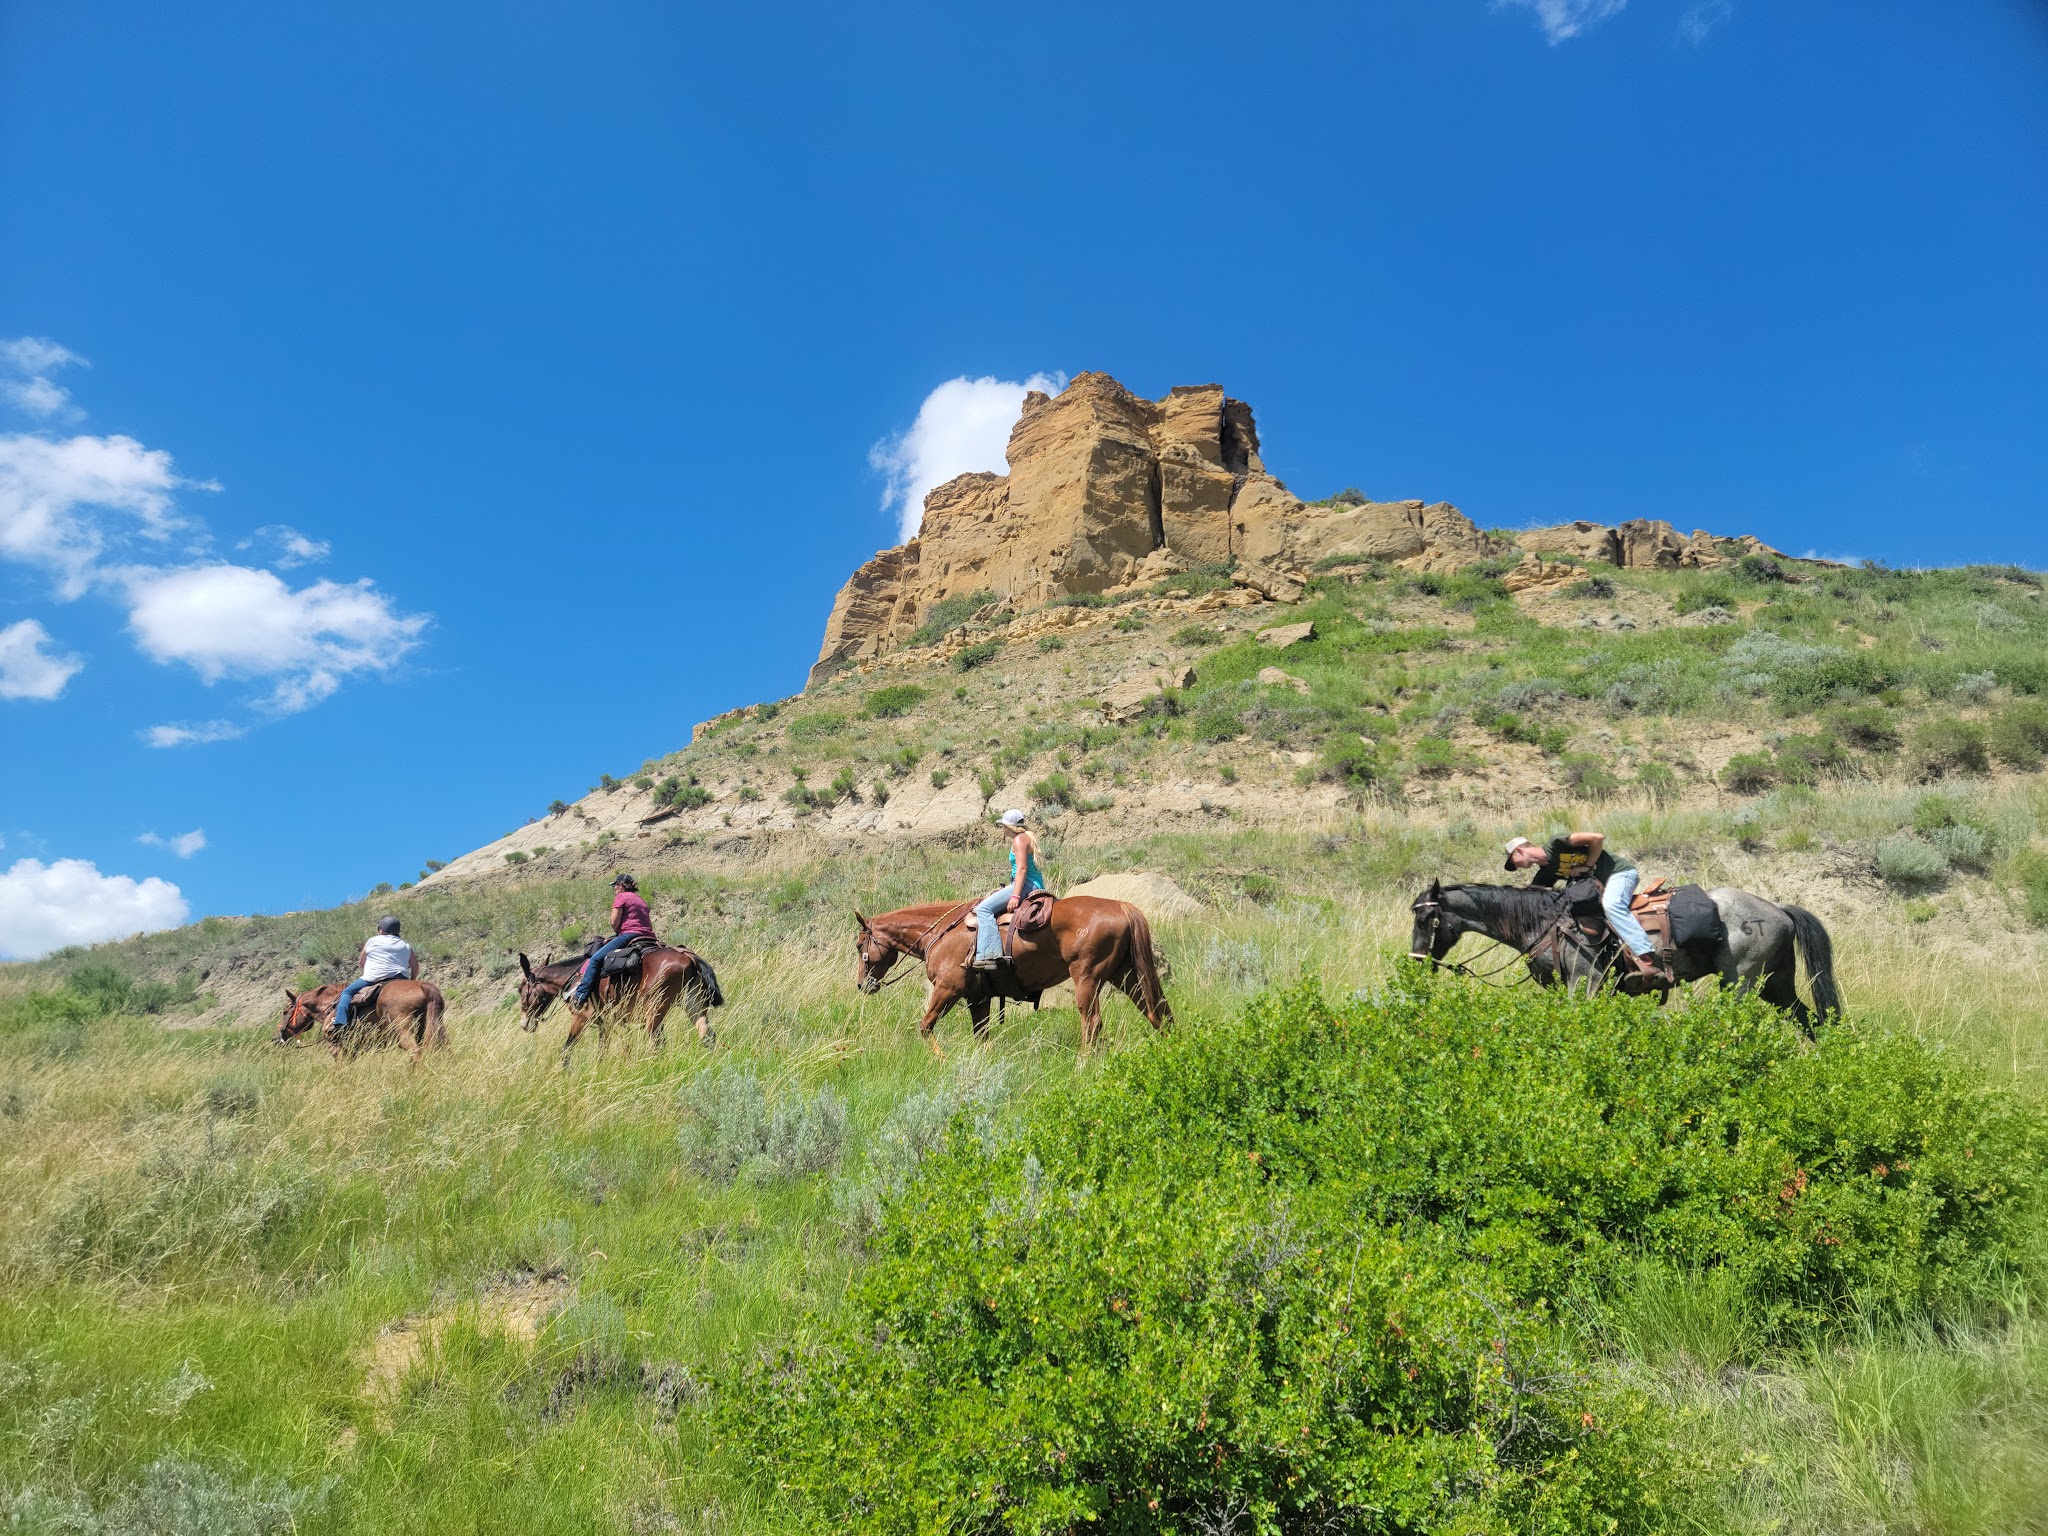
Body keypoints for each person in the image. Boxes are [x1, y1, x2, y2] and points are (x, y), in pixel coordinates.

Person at [1503, 830, 1665, 982]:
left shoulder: (1557, 843)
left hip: (1619, 873)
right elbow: (1529, 896)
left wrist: (1587, 866)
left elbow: (1597, 838)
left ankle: (1643, 951)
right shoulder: (1546, 872)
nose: (1516, 868)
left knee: (1612, 904)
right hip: (1600, 886)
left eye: (1513, 862)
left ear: (1519, 851)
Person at [970, 809, 1045, 972]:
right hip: (1033, 884)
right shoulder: (1026, 837)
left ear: (1010, 826)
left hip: (1026, 885)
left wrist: (1015, 895)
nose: (1002, 829)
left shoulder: (1019, 840)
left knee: (983, 908)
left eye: (1003, 826)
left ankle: (990, 954)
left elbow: (1022, 869)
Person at [569, 873, 657, 1006]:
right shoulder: (641, 900)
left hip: (630, 935)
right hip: (649, 937)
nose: (614, 888)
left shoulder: (621, 897)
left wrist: (618, 934)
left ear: (621, 886)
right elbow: (649, 924)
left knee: (595, 959)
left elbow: (613, 921)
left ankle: (580, 996)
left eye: (615, 885)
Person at [335, 916, 418, 1034]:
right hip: (401, 978)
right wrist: (412, 982)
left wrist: (368, 971)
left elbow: (361, 961)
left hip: (374, 977)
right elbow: (415, 966)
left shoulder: (373, 940)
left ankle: (340, 1024)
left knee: (347, 992)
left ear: (381, 930)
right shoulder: (405, 945)